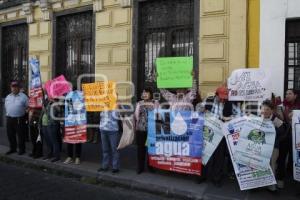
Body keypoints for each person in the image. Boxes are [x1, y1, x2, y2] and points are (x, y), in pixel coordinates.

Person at [203, 84, 242, 187]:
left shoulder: (230, 103)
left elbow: (240, 116)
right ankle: (202, 176)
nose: (223, 100)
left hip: (220, 135)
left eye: (225, 98)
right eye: (221, 97)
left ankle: (216, 178)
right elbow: (199, 110)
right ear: (216, 94)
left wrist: (229, 118)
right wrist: (202, 111)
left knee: (219, 157)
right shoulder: (209, 100)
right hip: (208, 132)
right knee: (204, 155)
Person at [276, 89, 300, 188]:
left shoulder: (298, 107)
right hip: (285, 136)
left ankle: (293, 176)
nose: (287, 95)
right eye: (286, 93)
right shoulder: (282, 106)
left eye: (290, 93)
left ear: (295, 96)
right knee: (282, 157)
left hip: (297, 137)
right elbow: (279, 120)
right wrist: (277, 112)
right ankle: (280, 179)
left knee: (295, 157)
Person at [260, 99, 285, 191]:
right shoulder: (259, 118)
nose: (265, 111)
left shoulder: (275, 119)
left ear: (271, 110)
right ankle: (262, 183)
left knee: (272, 164)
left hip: (274, 146)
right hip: (262, 146)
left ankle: (272, 186)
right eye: (263, 109)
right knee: (261, 164)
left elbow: (282, 130)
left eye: (267, 109)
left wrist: (271, 131)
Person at [135, 87, 158, 174]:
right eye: (143, 92)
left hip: (151, 130)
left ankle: (151, 166)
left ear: (150, 94)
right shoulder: (139, 103)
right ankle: (140, 167)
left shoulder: (155, 102)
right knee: (141, 149)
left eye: (146, 92)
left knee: (150, 148)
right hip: (141, 130)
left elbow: (158, 114)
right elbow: (136, 116)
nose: (144, 94)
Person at [5, 81, 29, 155]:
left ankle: (22, 150)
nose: (14, 88)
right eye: (13, 87)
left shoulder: (24, 96)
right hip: (9, 118)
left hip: (19, 118)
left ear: (19, 88)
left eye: (16, 87)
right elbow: (6, 106)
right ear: (11, 88)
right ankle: (13, 148)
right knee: (10, 135)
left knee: (20, 135)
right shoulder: (8, 96)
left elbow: (28, 107)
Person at [98, 106, 122, 174]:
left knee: (114, 149)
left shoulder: (116, 106)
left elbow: (118, 117)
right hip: (103, 129)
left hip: (113, 130)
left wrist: (116, 108)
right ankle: (104, 166)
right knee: (105, 149)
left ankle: (115, 167)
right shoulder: (102, 105)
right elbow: (100, 116)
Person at [40, 95, 61, 162]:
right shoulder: (48, 102)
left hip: (53, 124)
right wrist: (44, 108)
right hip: (46, 123)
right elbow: (46, 113)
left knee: (54, 141)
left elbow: (59, 110)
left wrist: (54, 102)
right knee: (48, 140)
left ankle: (56, 156)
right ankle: (50, 154)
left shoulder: (56, 101)